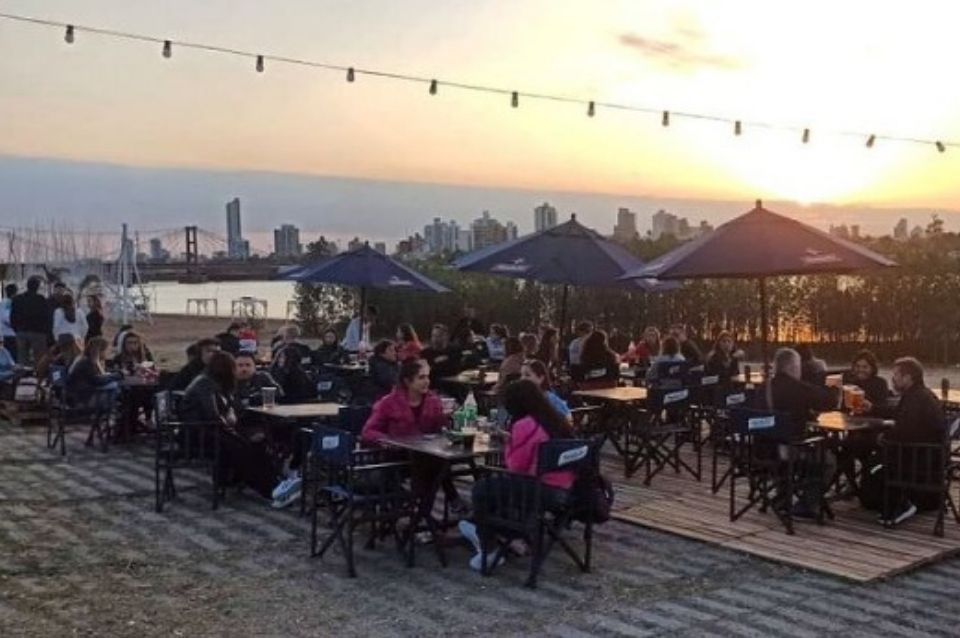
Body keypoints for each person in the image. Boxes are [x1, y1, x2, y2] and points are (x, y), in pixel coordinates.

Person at [459, 379, 575, 571]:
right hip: (565, 490)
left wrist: (510, 443)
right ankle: (498, 533)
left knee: (482, 489)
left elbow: (515, 467)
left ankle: (490, 544)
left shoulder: (525, 425)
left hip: (540, 490)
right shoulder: (556, 421)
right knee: (497, 490)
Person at [361, 358, 467, 515]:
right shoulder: (388, 402)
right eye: (421, 377)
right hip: (397, 456)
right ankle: (445, 502)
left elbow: (441, 430)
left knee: (439, 462)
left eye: (427, 377)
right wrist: (386, 440)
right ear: (407, 381)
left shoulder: (433, 401)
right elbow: (368, 431)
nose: (427, 381)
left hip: (426, 453)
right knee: (436, 466)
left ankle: (424, 511)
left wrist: (450, 420)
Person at [182, 351, 288, 505]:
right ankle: (271, 490)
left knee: (254, 445)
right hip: (199, 434)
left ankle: (275, 484)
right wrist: (229, 423)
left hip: (211, 430)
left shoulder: (211, 382)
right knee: (244, 448)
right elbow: (212, 415)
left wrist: (229, 418)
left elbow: (223, 410)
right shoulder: (205, 384)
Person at [861, 357, 946, 525]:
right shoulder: (921, 394)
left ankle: (901, 503)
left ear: (907, 378)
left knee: (870, 460)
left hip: (916, 461)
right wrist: (873, 408)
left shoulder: (915, 398)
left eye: (896, 376)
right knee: (870, 450)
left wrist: (883, 437)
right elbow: (899, 413)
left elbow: (906, 431)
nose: (893, 380)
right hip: (931, 458)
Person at [764, 347, 840, 517]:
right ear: (792, 367)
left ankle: (783, 496)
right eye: (799, 367)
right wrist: (834, 388)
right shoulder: (797, 388)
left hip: (763, 450)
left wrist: (806, 413)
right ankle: (807, 502)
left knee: (789, 441)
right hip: (791, 450)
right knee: (829, 461)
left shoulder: (764, 388)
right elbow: (829, 402)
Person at [66, 337, 120, 445]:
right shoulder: (86, 363)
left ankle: (121, 425)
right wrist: (116, 376)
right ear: (100, 351)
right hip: (83, 400)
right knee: (119, 391)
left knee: (118, 390)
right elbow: (97, 381)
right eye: (106, 350)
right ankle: (120, 425)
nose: (107, 353)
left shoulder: (85, 360)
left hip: (82, 395)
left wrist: (111, 375)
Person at [10, 276, 52, 365]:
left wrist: (16, 329)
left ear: (27, 285)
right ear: (37, 287)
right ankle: (38, 373)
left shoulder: (17, 299)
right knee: (39, 359)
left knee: (22, 358)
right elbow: (47, 317)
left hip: (21, 331)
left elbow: (12, 316)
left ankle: (22, 372)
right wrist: (47, 331)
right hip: (38, 332)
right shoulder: (41, 299)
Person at [520, 359, 572, 424]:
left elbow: (567, 420)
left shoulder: (550, 399)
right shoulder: (522, 399)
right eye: (521, 375)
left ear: (541, 378)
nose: (522, 379)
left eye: (527, 375)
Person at [420, 324, 462, 388]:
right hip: (433, 385)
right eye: (433, 336)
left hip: (452, 385)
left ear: (446, 337)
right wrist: (436, 362)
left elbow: (455, 369)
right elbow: (425, 372)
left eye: (439, 336)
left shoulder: (454, 351)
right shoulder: (425, 353)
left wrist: (434, 365)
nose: (435, 339)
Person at [1, 283, 18, 361]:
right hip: (13, 332)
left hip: (5, 332)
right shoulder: (10, 302)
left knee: (8, 353)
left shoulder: (3, 302)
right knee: (14, 355)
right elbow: (7, 317)